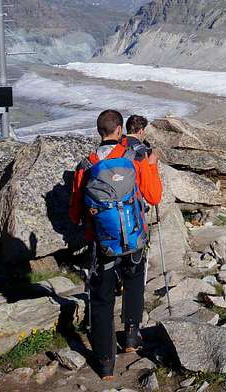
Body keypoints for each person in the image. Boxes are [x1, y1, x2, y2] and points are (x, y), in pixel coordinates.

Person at [69, 110, 163, 380]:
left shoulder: (86, 166)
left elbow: (75, 214)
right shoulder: (134, 158)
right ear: (120, 130)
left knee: (101, 299)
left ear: (99, 132)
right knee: (134, 283)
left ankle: (105, 362)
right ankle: (132, 339)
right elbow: (154, 197)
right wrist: (152, 165)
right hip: (133, 238)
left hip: (102, 244)